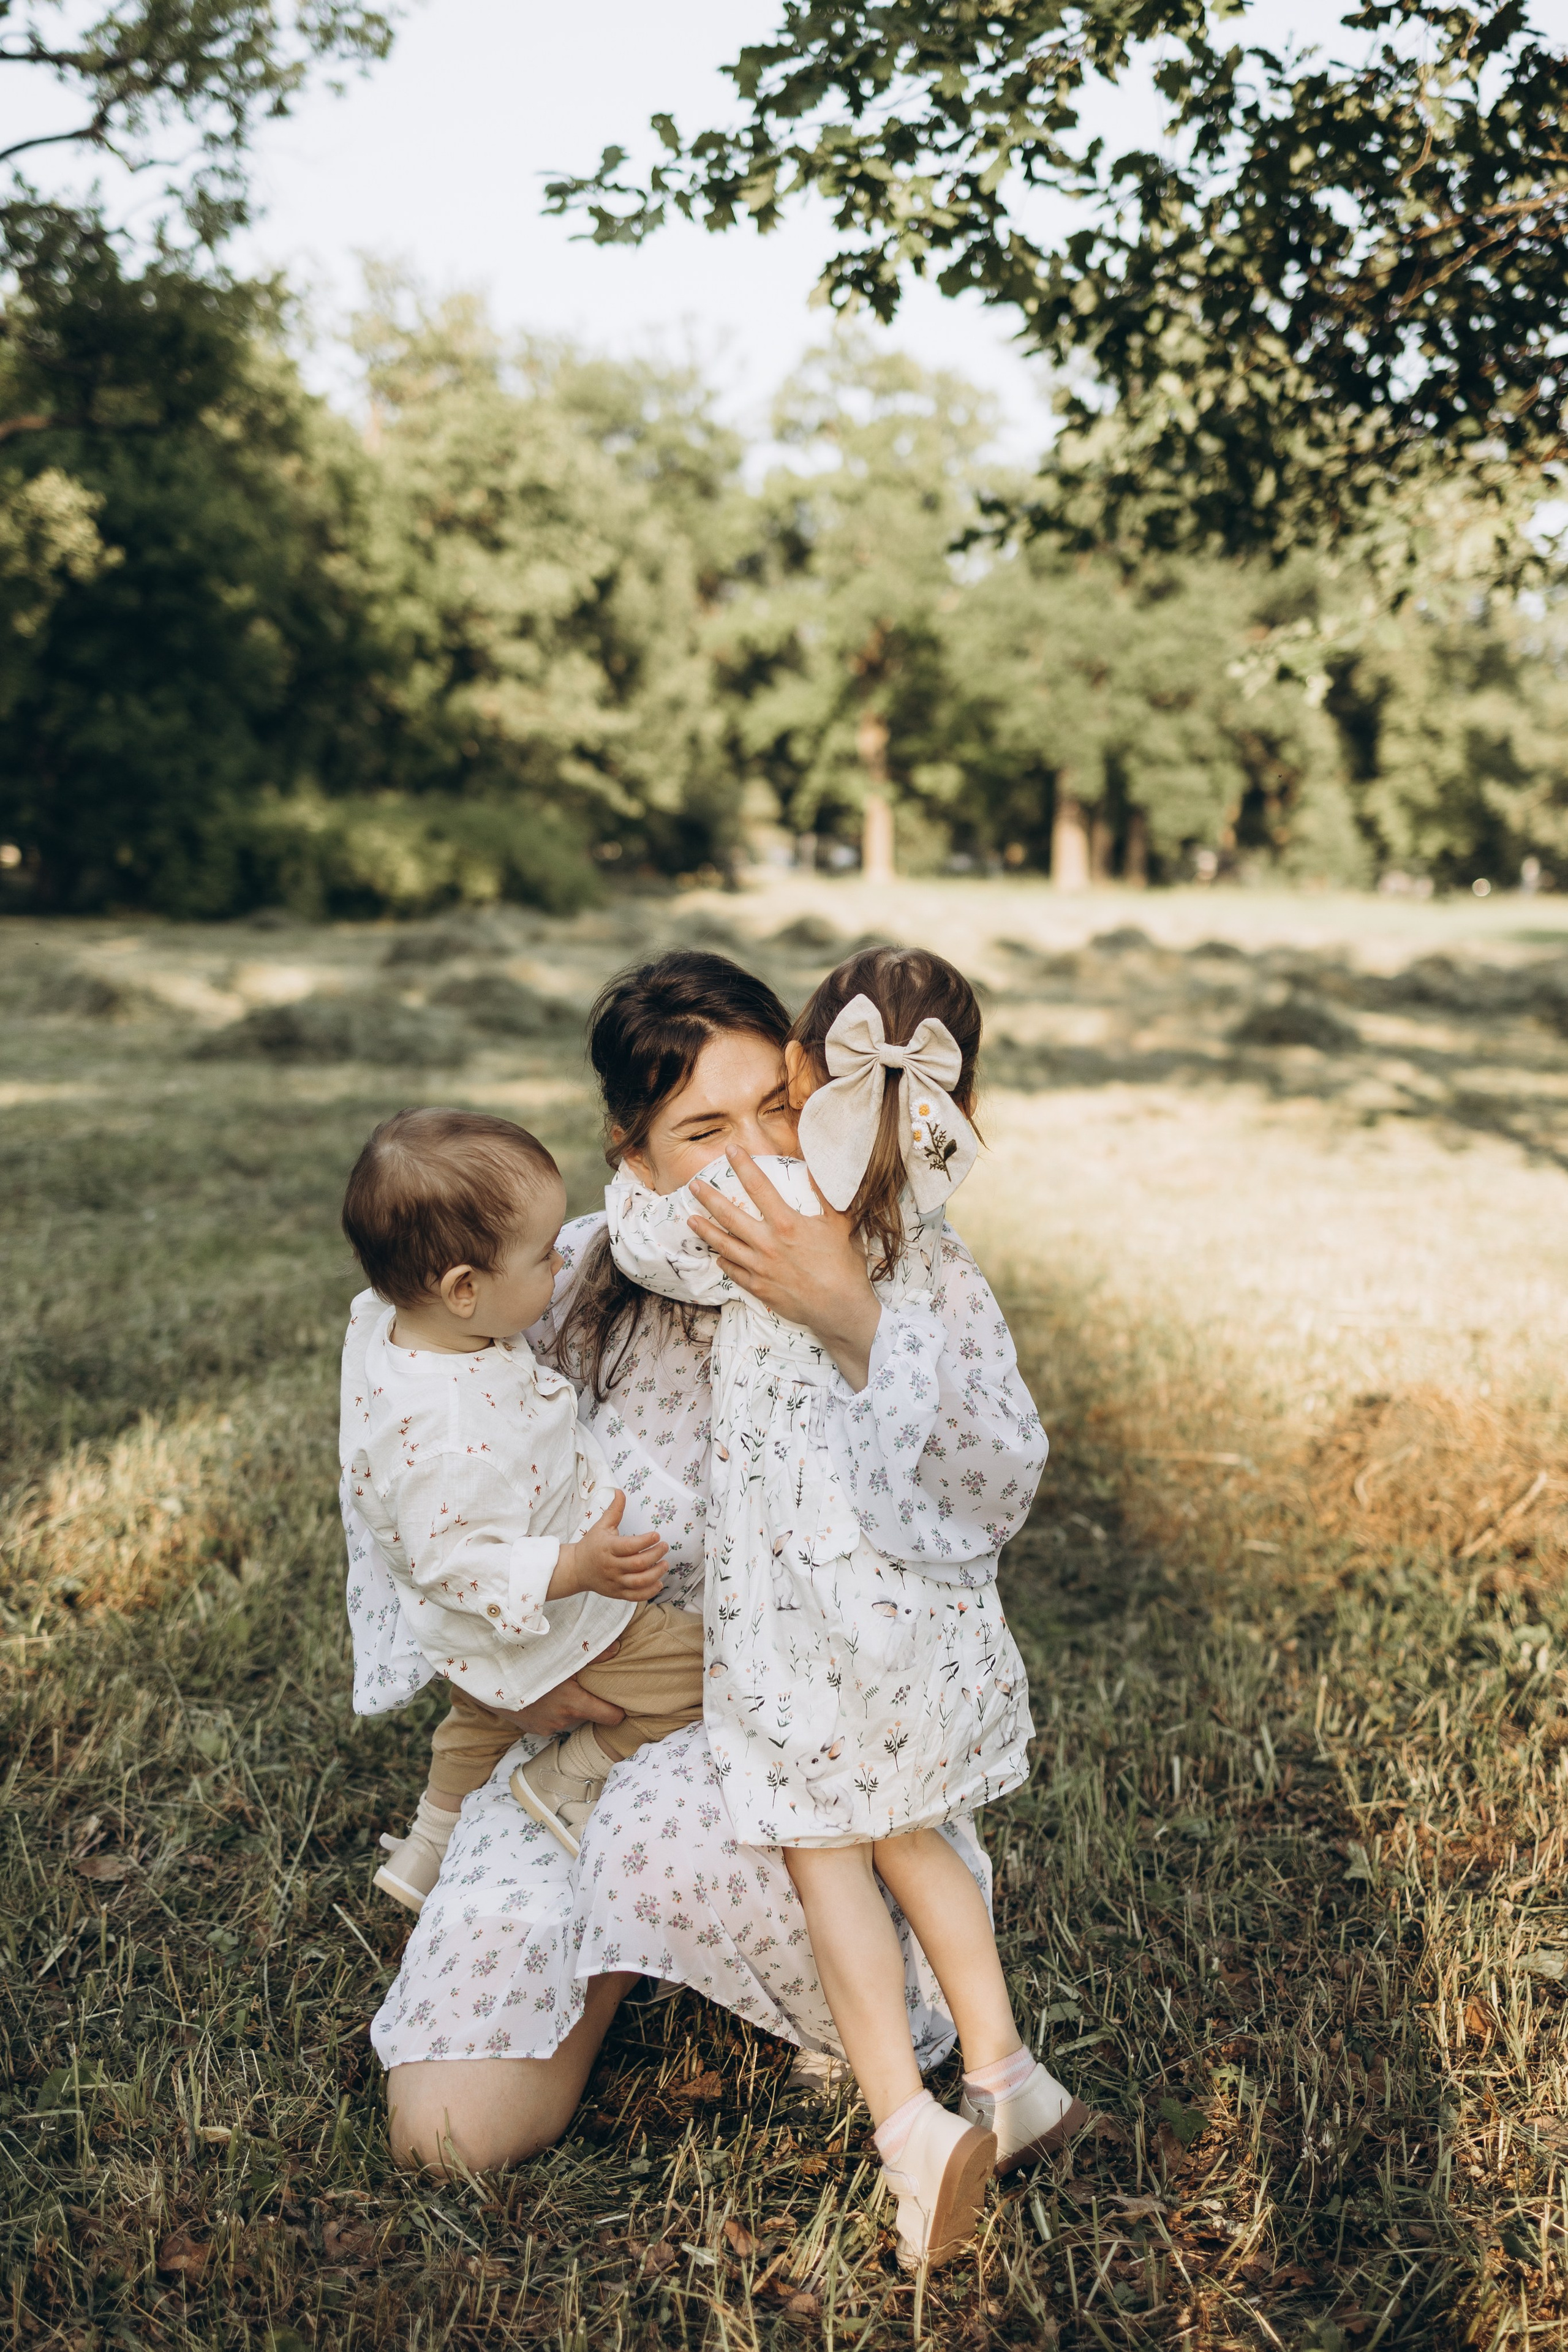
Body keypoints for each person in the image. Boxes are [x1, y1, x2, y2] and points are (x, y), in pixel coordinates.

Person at [352, 952, 1050, 2181]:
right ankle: (606, 1953)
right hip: (584, 1736)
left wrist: (850, 1315)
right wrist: (496, 1679)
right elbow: (419, 1471)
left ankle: (831, 2010)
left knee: (666, 1843)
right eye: (700, 1129)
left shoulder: (899, 1256)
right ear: (631, 1151)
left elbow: (993, 1489)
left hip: (813, 1752)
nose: (750, 1156)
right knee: (450, 2136)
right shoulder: (557, 1279)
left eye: (773, 1109)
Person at [606, 947, 1083, 2267]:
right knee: (913, 1840)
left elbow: (644, 1226)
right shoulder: (923, 1240)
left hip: (803, 1632)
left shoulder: (748, 1220)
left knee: (830, 1864)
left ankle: (906, 2129)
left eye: (778, 1093)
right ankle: (1005, 2074)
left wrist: (631, 1174)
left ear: (805, 1072)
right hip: (915, 1623)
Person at [338, 1107, 703, 1908]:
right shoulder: (449, 1436)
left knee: (475, 1720)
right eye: (543, 1258)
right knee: (709, 1670)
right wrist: (576, 1566)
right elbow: (454, 1561)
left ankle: (427, 1848)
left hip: (468, 1640)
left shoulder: (397, 1329)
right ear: (464, 1289)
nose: (560, 1263)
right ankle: (565, 1779)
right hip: (549, 1619)